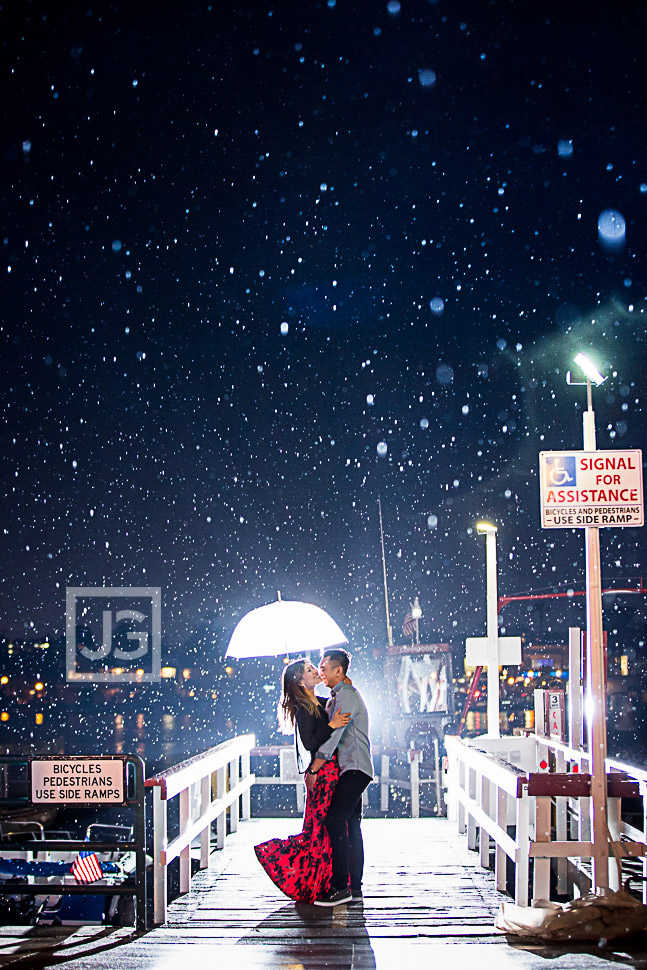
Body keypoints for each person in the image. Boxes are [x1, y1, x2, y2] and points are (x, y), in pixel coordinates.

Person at [254, 659, 351, 903]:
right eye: (309, 670)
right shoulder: (303, 708)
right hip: (323, 772)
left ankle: (329, 881)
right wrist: (331, 724)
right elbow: (310, 742)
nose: (315, 671)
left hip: (331, 771)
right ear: (301, 681)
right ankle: (311, 878)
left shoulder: (321, 702)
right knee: (318, 828)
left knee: (329, 828)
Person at [306, 648, 374, 907]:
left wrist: (314, 769)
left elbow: (333, 736)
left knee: (335, 821)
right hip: (354, 768)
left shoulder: (346, 697)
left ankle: (340, 887)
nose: (320, 672)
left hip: (355, 768)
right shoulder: (341, 695)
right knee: (351, 825)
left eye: (324, 668)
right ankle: (354, 887)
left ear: (339, 671)